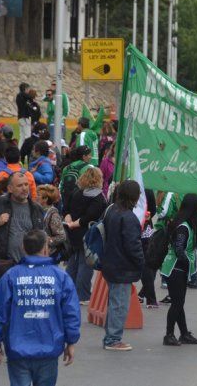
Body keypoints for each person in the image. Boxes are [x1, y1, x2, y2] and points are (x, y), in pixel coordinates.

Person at [0, 230, 80, 386]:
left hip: (17, 350)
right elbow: (71, 313)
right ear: (46, 248)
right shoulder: (60, 277)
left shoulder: (11, 276)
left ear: (23, 247)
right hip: (49, 348)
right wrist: (71, 341)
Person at [101, 180, 145, 351]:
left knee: (114, 302)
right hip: (122, 266)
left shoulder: (111, 210)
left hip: (109, 262)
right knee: (119, 304)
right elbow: (133, 246)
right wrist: (141, 262)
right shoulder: (128, 217)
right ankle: (113, 339)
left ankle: (110, 336)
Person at [0, 172, 45, 283]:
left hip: (29, 265)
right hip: (4, 264)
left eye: (26, 184)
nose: (24, 188)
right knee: (4, 299)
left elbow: (42, 235)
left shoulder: (36, 208)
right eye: (19, 186)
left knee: (26, 299)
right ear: (10, 188)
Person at [161, 193, 197, 346]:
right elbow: (179, 249)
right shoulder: (184, 227)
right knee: (177, 303)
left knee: (178, 302)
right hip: (176, 269)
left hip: (177, 269)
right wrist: (187, 264)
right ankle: (169, 335)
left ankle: (184, 333)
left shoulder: (183, 224)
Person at [65, 167, 107, 304]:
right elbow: (90, 217)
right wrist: (76, 223)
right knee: (86, 264)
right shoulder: (98, 197)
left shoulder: (77, 193)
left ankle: (67, 291)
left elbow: (66, 209)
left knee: (73, 263)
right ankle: (82, 295)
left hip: (73, 233)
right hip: (87, 234)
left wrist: (69, 222)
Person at [37, 185, 68, 262]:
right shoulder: (38, 210)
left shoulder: (53, 214)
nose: (36, 197)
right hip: (38, 252)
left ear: (45, 199)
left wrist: (48, 240)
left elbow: (62, 236)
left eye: (38, 195)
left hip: (50, 254)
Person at [59, 146, 92, 212]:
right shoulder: (89, 168)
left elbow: (61, 185)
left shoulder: (67, 168)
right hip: (82, 202)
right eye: (89, 155)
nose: (90, 157)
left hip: (67, 201)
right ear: (84, 156)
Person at [16, 83, 31, 148]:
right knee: (28, 136)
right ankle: (27, 152)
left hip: (20, 118)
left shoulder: (18, 96)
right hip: (25, 118)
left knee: (22, 136)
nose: (29, 91)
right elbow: (30, 97)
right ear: (25, 89)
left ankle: (19, 151)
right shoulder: (24, 96)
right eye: (28, 89)